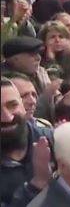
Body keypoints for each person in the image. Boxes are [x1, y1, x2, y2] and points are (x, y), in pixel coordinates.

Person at [1, 77, 54, 207]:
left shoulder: (55, 140)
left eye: (12, 105)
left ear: (23, 106)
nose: (7, 117)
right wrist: (37, 185)